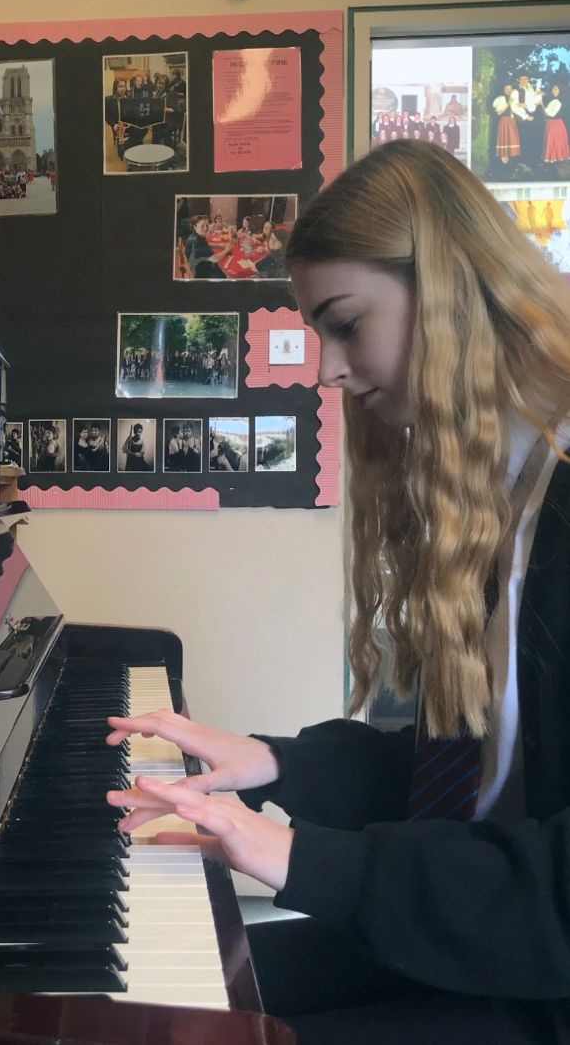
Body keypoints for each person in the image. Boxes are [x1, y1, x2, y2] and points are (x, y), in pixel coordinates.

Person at [106, 139, 570, 1043]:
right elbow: (485, 781)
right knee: (145, 1007)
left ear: (446, 289)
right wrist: (279, 761)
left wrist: (301, 856)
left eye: (345, 323)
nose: (325, 369)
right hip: (495, 937)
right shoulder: (509, 495)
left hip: (544, 978)